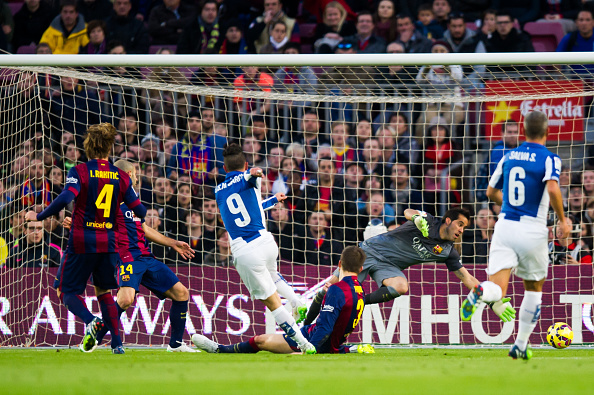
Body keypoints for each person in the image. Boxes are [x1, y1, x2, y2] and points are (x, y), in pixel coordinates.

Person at [24, 123, 147, 355]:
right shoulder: (121, 176)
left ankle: (91, 320)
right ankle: (117, 344)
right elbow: (140, 212)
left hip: (82, 239)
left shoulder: (79, 171)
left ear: (87, 148)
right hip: (109, 242)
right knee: (104, 291)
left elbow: (65, 197)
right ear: (110, 148)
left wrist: (39, 215)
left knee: (64, 290)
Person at [460, 111, 570, 361]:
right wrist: (562, 220)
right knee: (533, 288)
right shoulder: (550, 158)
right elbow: (552, 187)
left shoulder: (508, 157)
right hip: (532, 228)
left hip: (504, 226)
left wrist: (508, 201)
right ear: (546, 132)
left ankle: (479, 292)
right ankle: (520, 344)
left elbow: (490, 192)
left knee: (497, 288)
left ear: (523, 130)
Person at [69, 159, 196, 352]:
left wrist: (173, 243)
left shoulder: (132, 201)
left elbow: (144, 228)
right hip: (126, 257)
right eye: (135, 174)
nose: (137, 177)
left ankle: (176, 345)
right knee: (126, 300)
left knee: (181, 293)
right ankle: (94, 335)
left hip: (146, 257)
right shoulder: (108, 200)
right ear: (128, 175)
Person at [304, 207, 507, 326]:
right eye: (460, 224)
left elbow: (467, 278)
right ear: (448, 220)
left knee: (402, 286)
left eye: (464, 227)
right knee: (332, 289)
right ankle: (304, 325)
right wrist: (417, 218)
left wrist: (491, 300)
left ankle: (361, 302)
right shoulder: (428, 221)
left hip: (388, 266)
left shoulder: (447, 252)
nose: (461, 230)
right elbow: (408, 211)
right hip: (369, 253)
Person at [214, 143, 315, 353]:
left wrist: (253, 175)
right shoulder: (249, 178)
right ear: (246, 164)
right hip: (267, 242)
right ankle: (297, 300)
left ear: (224, 169)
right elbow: (251, 186)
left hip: (245, 250)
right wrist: (262, 185)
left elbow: (243, 195)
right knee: (273, 275)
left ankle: (304, 344)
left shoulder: (218, 191)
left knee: (273, 304)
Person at [191, 245, 374, 354]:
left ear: (339, 264)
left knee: (261, 340)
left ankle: (219, 349)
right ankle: (346, 348)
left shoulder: (337, 289)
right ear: (361, 269)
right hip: (323, 338)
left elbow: (325, 328)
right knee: (290, 330)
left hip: (312, 339)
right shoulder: (360, 290)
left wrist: (308, 350)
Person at [556, 8, 594, 75]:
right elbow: (555, 59)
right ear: (576, 22)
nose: (584, 23)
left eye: (587, 20)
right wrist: (560, 79)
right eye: (581, 20)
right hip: (575, 82)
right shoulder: (569, 38)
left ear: (593, 22)